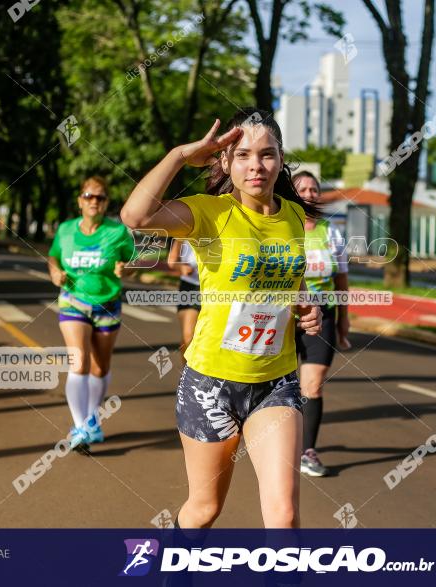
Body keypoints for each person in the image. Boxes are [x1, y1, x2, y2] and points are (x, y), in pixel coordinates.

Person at [121, 108, 322, 529]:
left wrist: (305, 304)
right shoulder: (209, 213)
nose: (256, 166)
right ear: (225, 161)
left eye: (267, 154)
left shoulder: (290, 217)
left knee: (284, 515)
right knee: (205, 509)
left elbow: (288, 280)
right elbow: (135, 217)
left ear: (281, 159)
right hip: (211, 384)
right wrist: (178, 155)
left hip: (276, 382)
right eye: (243, 154)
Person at [48, 176, 135, 450]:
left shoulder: (117, 232)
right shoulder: (65, 230)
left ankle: (92, 419)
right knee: (80, 360)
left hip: (108, 303)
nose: (94, 201)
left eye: (99, 197)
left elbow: (132, 262)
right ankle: (81, 426)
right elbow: (53, 256)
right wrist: (54, 271)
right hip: (73, 301)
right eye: (89, 196)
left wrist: (126, 269)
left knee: (100, 366)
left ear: (106, 202)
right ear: (80, 201)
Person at [292, 171, 351, 477]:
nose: (310, 193)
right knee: (279, 386)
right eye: (302, 188)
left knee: (312, 385)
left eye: (314, 189)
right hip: (284, 318)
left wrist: (344, 322)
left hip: (322, 316)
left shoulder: (331, 232)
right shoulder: (282, 227)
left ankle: (306, 451)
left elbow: (341, 281)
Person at [167, 239, 201, 361]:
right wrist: (182, 267)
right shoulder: (184, 231)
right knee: (188, 337)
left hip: (214, 290)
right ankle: (186, 375)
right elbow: (172, 261)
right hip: (191, 287)